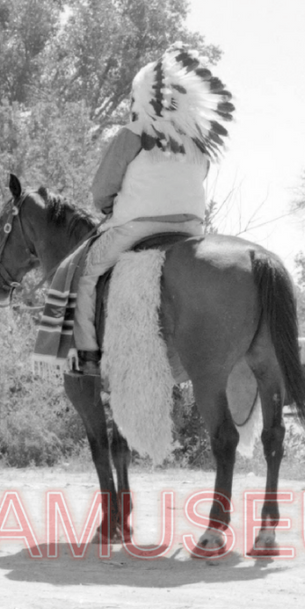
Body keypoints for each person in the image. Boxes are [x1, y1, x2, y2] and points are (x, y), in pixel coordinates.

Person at [70, 46, 234, 374]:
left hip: (137, 228)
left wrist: (107, 206)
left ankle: (87, 355)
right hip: (191, 231)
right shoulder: (198, 142)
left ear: (143, 97)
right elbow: (198, 179)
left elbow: (102, 188)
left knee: (84, 273)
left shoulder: (133, 134)